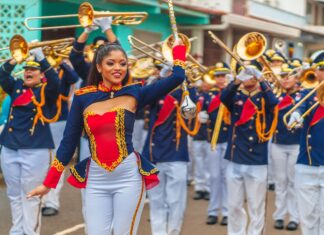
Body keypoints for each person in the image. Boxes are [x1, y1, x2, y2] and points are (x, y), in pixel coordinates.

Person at [28, 38, 187, 235]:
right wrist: (48, 183)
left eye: (122, 63)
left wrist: (179, 49)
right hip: (96, 179)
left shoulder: (135, 92)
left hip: (129, 178)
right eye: (110, 63)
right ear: (99, 67)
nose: (117, 68)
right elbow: (68, 143)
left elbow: (178, 77)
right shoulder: (83, 97)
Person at [0, 48, 60, 235]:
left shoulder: (45, 91)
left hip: (35, 150)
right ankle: (17, 232)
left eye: (33, 70)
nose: (28, 71)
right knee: (14, 195)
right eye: (26, 69)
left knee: (31, 195)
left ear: (42, 75)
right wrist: (15, 58)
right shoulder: (17, 86)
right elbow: (2, 75)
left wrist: (42, 58)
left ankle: (30, 232)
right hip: (10, 147)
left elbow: (56, 83)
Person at [220, 63, 278, 235]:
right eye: (245, 74)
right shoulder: (236, 95)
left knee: (256, 205)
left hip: (256, 159)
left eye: (251, 74)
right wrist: (237, 80)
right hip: (235, 156)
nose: (248, 78)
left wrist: (262, 79)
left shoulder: (264, 96)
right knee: (234, 205)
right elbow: (224, 97)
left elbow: (274, 102)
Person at [142, 62, 199, 235]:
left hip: (176, 154)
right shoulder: (156, 90)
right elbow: (144, 96)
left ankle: (174, 232)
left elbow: (190, 111)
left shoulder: (185, 92)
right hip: (154, 153)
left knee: (176, 201)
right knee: (157, 201)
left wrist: (185, 80)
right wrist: (160, 78)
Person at [288, 50, 324, 235]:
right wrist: (294, 118)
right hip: (307, 164)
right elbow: (296, 112)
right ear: (316, 72)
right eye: (322, 69)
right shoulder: (306, 95)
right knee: (308, 218)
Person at [42, 59, 79, 216]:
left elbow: (74, 78)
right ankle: (41, 199)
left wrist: (63, 63)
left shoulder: (63, 72)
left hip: (59, 121)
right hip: (40, 120)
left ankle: (52, 202)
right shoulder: (39, 70)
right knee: (41, 163)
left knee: (56, 162)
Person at [271, 64, 301, 231]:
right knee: (280, 181)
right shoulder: (276, 96)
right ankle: (280, 216)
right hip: (278, 142)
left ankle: (294, 217)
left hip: (296, 143)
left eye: (289, 76)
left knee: (293, 181)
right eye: (283, 76)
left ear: (296, 79)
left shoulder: (302, 96)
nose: (285, 79)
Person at [205, 62, 231, 226]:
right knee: (214, 177)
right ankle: (213, 211)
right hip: (213, 140)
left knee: (228, 178)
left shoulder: (232, 93)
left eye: (223, 76)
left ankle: (227, 212)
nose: (220, 79)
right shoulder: (209, 95)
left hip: (229, 139)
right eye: (218, 76)